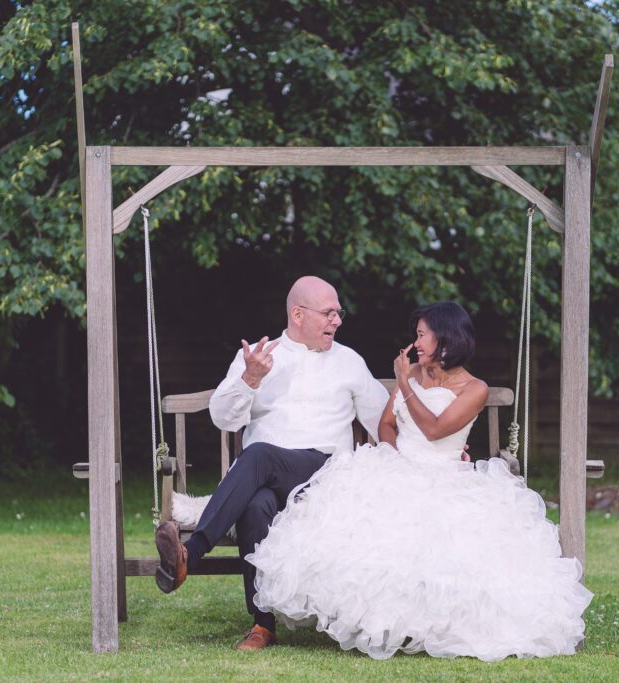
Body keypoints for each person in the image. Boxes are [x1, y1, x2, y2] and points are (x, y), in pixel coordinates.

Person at [246, 301, 594, 661]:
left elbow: (435, 429)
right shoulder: (413, 372)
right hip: (398, 466)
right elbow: (386, 424)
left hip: (445, 475)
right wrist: (395, 457)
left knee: (438, 545)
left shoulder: (473, 388)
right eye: (417, 335)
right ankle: (376, 620)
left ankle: (433, 626)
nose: (417, 342)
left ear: (446, 337)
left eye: (423, 334)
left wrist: (402, 382)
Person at [154, 275, 389, 651]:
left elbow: (385, 422)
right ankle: (262, 625)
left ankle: (191, 554)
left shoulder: (349, 362)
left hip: (327, 476)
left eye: (338, 313)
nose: (338, 321)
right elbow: (223, 418)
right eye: (329, 313)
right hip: (268, 479)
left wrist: (428, 448)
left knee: (260, 453)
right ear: (298, 314)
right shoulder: (261, 357)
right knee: (255, 503)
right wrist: (249, 379)